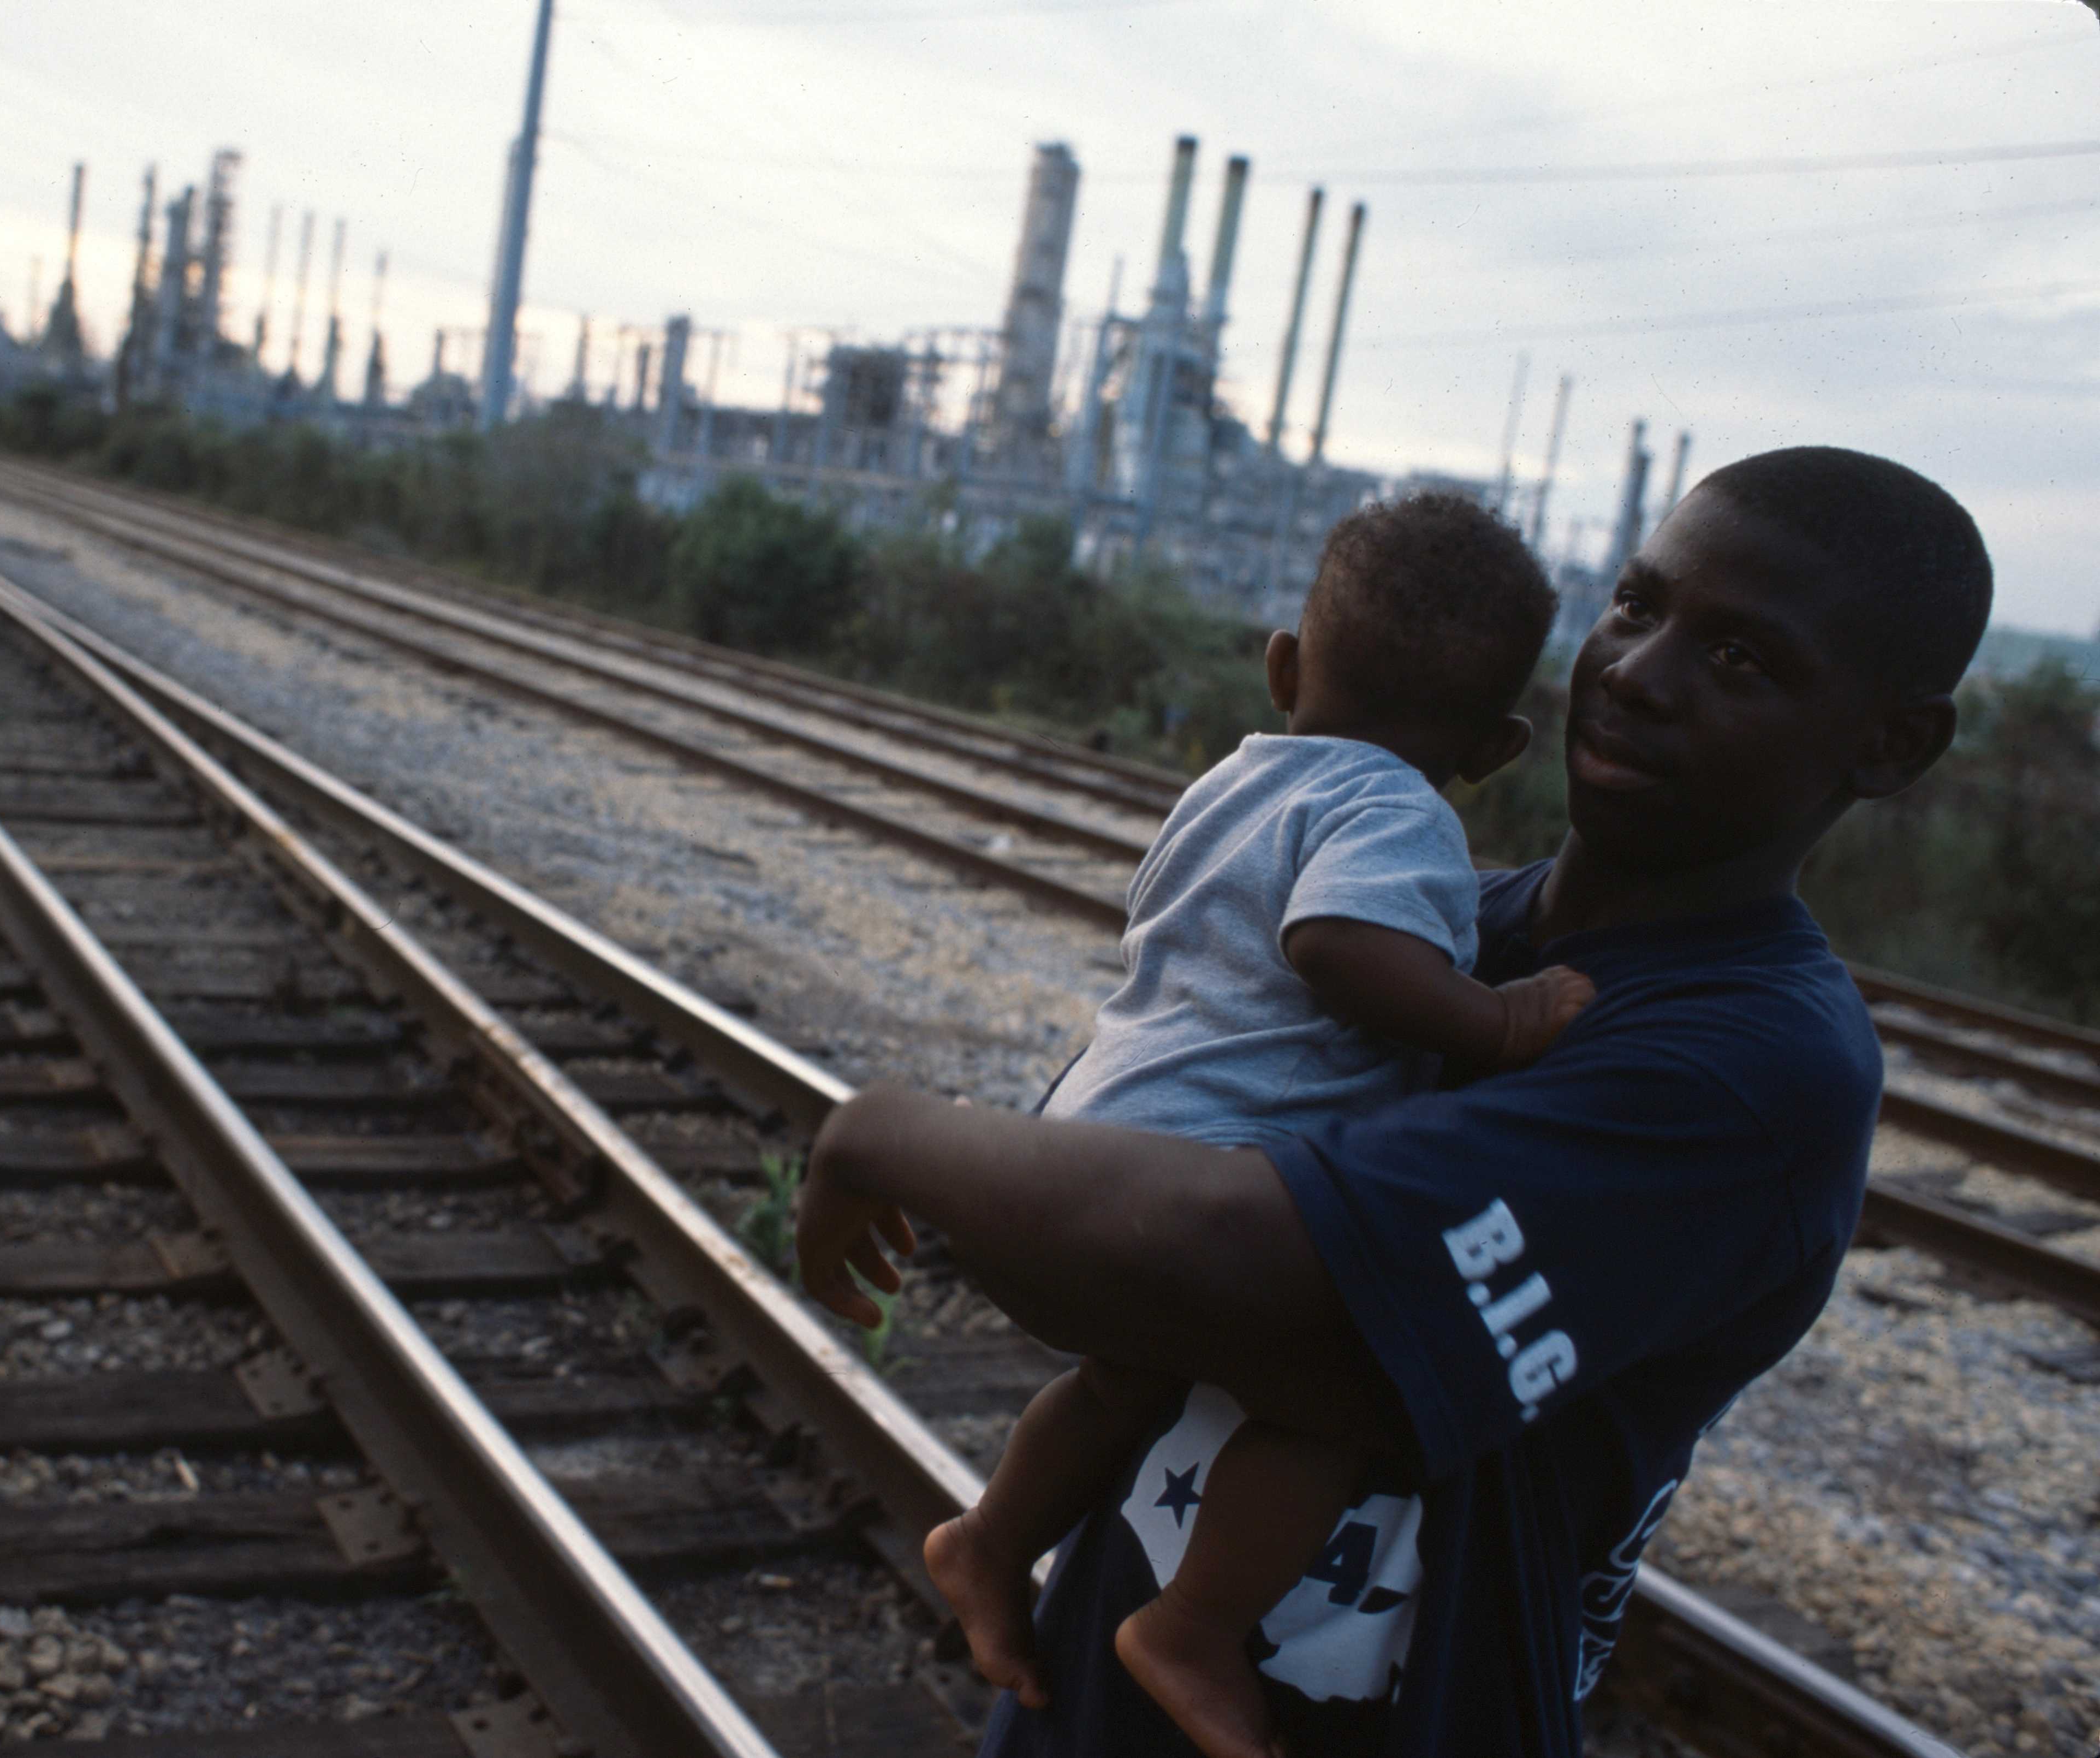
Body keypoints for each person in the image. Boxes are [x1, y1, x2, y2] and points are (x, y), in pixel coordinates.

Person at [798, 447, 1991, 1756]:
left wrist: (883, 1132)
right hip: (1087, 1694)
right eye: (1638, 607)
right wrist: (1047, 1207)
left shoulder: (1750, 1068)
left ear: (1891, 742)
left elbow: (1165, 1254)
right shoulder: (1441, 932)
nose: (1636, 674)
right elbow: (1101, 1182)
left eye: (1741, 658)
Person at [923, 493, 1597, 1758]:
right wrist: (1496, 1021)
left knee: (1123, 1376)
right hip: (1198, 1178)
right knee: (1336, 1405)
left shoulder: (1233, 779)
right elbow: (1335, 943)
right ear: (1503, 747)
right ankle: (1190, 1624)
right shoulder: (1397, 809)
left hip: (1089, 1134)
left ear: (1283, 664)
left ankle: (992, 1535)